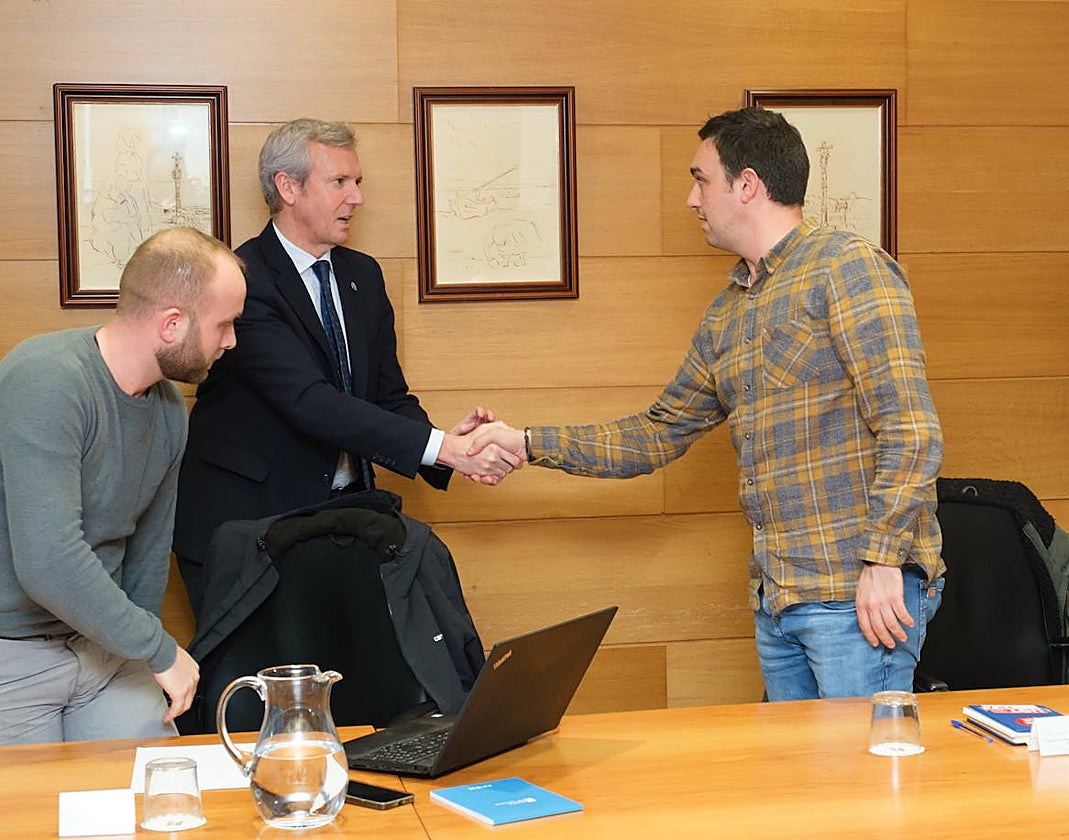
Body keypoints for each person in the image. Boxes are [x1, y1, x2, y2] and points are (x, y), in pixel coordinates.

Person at [467, 107, 945, 700]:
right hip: (779, 599)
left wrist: (882, 561)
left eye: (701, 179)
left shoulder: (847, 269)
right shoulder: (729, 310)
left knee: (860, 785)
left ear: (747, 185)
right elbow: (656, 432)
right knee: (799, 786)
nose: (692, 200)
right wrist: (527, 443)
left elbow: (912, 429)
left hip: (857, 595)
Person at [173, 118, 519, 610]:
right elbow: (310, 402)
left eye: (358, 183)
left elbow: (387, 395)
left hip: (341, 518)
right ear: (287, 187)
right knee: (260, 681)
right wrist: (444, 449)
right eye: (340, 182)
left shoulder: (364, 276)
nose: (356, 197)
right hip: (247, 525)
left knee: (343, 676)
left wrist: (449, 446)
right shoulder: (242, 280)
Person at [0, 226, 245, 744]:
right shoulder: (46, 380)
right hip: (12, 653)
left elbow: (147, 557)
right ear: (172, 324)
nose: (231, 341)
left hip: (105, 649)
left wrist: (139, 655)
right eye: (224, 324)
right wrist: (157, 650)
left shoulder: (170, 411)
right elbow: (47, 563)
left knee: (168, 795)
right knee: (37, 820)